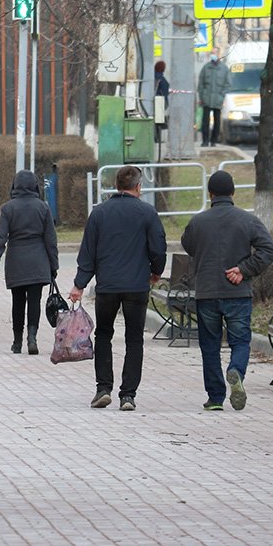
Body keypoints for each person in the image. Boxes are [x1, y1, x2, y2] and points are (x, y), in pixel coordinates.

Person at [69, 165, 166, 411]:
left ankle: (103, 388)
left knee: (103, 335)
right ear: (138, 186)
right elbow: (158, 248)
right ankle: (128, 395)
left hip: (108, 287)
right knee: (134, 339)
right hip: (136, 286)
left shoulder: (99, 214)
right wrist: (156, 271)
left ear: (116, 186)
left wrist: (79, 285)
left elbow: (88, 254)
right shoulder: (148, 213)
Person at [181, 170, 273, 412]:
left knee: (210, 346)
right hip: (237, 292)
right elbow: (269, 250)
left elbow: (188, 245)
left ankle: (215, 398)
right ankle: (236, 370)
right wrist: (244, 269)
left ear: (210, 194)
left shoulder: (198, 222)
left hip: (207, 294)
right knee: (240, 341)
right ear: (233, 193)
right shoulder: (248, 220)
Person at [0, 170, 59, 355]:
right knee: (34, 301)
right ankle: (32, 338)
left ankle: (17, 341)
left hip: (16, 261)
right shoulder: (43, 207)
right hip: (38, 260)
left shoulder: (8, 208)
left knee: (17, 302)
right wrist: (54, 265)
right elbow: (51, 240)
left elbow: (1, 237)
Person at [197, 47, 230, 147]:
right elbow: (201, 84)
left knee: (217, 122)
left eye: (214, 53)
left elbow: (228, 84)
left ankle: (214, 141)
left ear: (219, 54)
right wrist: (202, 96)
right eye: (212, 53)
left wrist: (221, 95)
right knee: (205, 122)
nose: (213, 55)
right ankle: (205, 141)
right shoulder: (206, 67)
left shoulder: (224, 69)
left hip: (217, 100)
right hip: (206, 99)